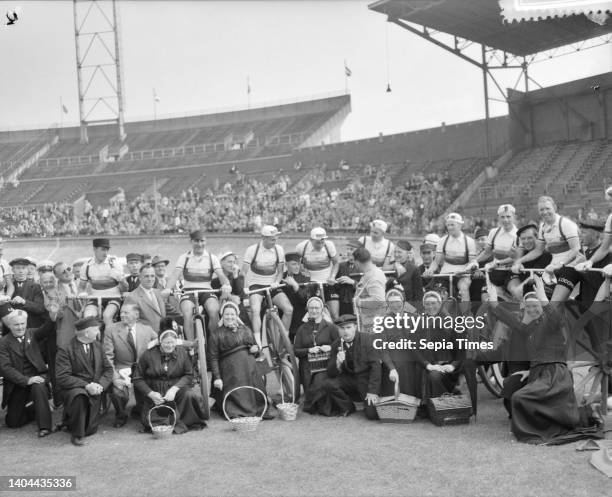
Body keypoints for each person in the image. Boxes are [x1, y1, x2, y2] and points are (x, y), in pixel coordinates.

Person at [486, 276, 585, 444]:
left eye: (536, 306)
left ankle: (530, 433)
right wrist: (494, 302)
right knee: (518, 396)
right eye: (529, 307)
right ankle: (532, 429)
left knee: (521, 398)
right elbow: (510, 320)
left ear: (542, 307)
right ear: (524, 308)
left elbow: (556, 318)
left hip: (554, 375)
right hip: (538, 374)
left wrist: (545, 300)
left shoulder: (550, 322)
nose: (532, 310)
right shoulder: (530, 328)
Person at [133, 323, 207, 433]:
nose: (170, 346)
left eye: (173, 342)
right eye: (167, 342)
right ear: (160, 342)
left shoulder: (182, 353)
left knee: (189, 395)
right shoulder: (148, 355)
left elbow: (189, 374)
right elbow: (137, 378)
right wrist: (151, 394)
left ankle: (185, 420)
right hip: (155, 390)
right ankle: (163, 421)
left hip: (176, 388)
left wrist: (174, 389)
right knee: (157, 417)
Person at [306, 314, 380, 419]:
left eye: (349, 327)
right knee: (328, 384)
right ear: (338, 330)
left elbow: (376, 367)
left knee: (372, 415)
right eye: (342, 328)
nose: (345, 331)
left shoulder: (367, 339)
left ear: (355, 327)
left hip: (365, 380)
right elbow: (330, 373)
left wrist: (373, 392)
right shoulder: (336, 344)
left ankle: (367, 403)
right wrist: (337, 363)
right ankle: (348, 407)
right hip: (349, 379)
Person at [55, 317, 114, 446]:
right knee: (79, 396)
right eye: (96, 330)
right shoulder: (65, 349)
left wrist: (100, 385)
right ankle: (77, 435)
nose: (99, 333)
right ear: (87, 333)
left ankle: (69, 422)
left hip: (96, 388)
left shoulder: (98, 346)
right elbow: (62, 376)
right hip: (74, 388)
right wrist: (87, 386)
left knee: (91, 430)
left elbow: (109, 370)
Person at [163, 230, 231, 341]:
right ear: (191, 242)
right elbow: (175, 275)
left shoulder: (211, 258)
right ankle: (191, 346)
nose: (199, 244)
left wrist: (226, 285)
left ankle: (213, 342)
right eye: (196, 241)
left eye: (202, 241)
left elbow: (221, 275)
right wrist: (167, 289)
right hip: (188, 290)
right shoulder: (184, 257)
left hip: (207, 290)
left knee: (214, 310)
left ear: (206, 241)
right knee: (187, 313)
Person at [512, 196, 581, 302]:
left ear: (555, 208)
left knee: (553, 303)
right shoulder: (543, 227)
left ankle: (570, 304)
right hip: (553, 268)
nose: (545, 212)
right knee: (534, 295)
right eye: (541, 209)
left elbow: (576, 248)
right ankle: (570, 303)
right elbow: (538, 251)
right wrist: (519, 261)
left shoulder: (566, 224)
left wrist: (561, 264)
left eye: (547, 208)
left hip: (571, 266)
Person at [209, 302, 271, 419]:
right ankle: (236, 409)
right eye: (227, 314)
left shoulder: (246, 329)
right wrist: (217, 378)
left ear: (237, 315)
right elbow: (213, 357)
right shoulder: (216, 334)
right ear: (222, 316)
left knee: (252, 374)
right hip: (229, 367)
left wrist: (255, 349)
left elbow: (256, 349)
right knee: (237, 376)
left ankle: (256, 406)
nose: (229, 317)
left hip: (249, 365)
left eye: (232, 314)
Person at [0, 309, 53, 436]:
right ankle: (37, 408)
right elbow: (5, 369)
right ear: (10, 325)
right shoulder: (3, 343)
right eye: (16, 324)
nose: (20, 327)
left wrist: (52, 315)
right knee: (13, 422)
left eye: (22, 323)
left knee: (38, 385)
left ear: (26, 323)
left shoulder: (33, 334)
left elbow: (46, 328)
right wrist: (26, 380)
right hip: (18, 383)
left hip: (38, 377)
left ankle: (45, 427)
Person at [104, 302, 158, 427]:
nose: (122, 315)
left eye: (126, 312)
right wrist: (115, 377)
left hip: (142, 369)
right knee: (118, 392)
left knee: (149, 394)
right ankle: (120, 414)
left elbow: (161, 341)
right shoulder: (111, 330)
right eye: (121, 312)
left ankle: (140, 408)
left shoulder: (147, 329)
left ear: (136, 314)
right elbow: (108, 357)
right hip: (121, 368)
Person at [242, 225, 292, 348]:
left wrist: (277, 281)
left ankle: (283, 339)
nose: (275, 242)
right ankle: (258, 341)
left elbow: (280, 272)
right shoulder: (252, 250)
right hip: (256, 285)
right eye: (272, 239)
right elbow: (244, 272)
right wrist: (245, 287)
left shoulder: (279, 249)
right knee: (255, 310)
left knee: (289, 309)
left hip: (272, 284)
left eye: (276, 239)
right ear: (263, 238)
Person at [416, 291, 464, 403]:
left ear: (440, 303)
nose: (430, 307)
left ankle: (443, 405)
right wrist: (427, 364)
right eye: (427, 304)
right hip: (426, 363)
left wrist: (452, 365)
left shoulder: (450, 323)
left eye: (433, 303)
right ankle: (424, 405)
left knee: (434, 376)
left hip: (445, 365)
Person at [293, 297, 339, 411]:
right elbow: (296, 351)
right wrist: (309, 350)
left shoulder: (331, 327)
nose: (314, 311)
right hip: (308, 366)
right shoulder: (302, 329)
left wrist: (330, 347)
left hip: (326, 364)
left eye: (316, 308)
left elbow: (340, 344)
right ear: (307, 309)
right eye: (311, 308)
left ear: (322, 309)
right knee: (313, 403)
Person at [424, 213, 477, 309]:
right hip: (446, 273)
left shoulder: (469, 241)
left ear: (460, 225)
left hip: (463, 273)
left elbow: (472, 262)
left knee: (464, 289)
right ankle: (440, 316)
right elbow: (436, 261)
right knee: (440, 292)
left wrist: (464, 271)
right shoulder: (442, 241)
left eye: (453, 225)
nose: (450, 227)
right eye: (448, 225)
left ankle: (467, 316)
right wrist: (430, 270)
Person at [378, 289, 423, 399]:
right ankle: (400, 401)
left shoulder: (415, 317)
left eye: (397, 301)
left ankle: (416, 401)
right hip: (393, 356)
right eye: (391, 302)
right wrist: (391, 368)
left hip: (415, 353)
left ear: (403, 302)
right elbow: (382, 347)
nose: (395, 305)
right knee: (399, 364)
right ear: (387, 304)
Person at [77, 238, 124, 330]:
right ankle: (94, 342)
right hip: (95, 298)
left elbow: (125, 288)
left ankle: (109, 342)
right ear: (94, 249)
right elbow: (81, 287)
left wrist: (120, 279)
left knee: (107, 316)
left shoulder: (115, 264)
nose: (105, 253)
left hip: (114, 297)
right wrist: (81, 294)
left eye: (107, 250)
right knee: (88, 318)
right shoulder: (86, 266)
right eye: (102, 249)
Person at [296, 227, 340, 319]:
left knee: (334, 314)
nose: (321, 244)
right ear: (311, 240)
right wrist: (302, 270)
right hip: (310, 283)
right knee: (312, 314)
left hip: (328, 282)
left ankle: (335, 332)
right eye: (318, 242)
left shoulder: (329, 245)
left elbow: (336, 263)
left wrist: (332, 277)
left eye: (323, 241)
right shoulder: (301, 247)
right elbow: (295, 264)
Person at [506, 223, 553, 299]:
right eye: (523, 239)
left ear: (537, 237)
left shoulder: (545, 255)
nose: (526, 241)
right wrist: (514, 289)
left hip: (540, 294)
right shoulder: (521, 253)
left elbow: (536, 277)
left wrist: (518, 291)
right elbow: (511, 276)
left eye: (529, 238)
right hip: (523, 294)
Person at [211, 251, 251, 328]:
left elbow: (241, 294)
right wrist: (229, 297)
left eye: (234, 262)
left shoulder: (238, 278)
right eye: (229, 262)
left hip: (237, 308)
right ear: (221, 263)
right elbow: (215, 298)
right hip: (221, 307)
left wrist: (236, 276)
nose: (232, 264)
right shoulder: (215, 281)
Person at [124, 265, 168, 332]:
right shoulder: (132, 297)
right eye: (146, 276)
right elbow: (129, 323)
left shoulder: (158, 292)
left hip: (164, 335)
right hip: (146, 339)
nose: (150, 279)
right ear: (140, 278)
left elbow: (169, 311)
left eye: (152, 276)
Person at [352, 247, 387, 333]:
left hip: (372, 325)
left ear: (357, 262)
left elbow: (379, 300)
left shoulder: (373, 277)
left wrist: (358, 302)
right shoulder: (372, 273)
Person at [280, 252, 312, 341]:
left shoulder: (305, 278)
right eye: (294, 264)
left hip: (300, 322)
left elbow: (305, 299)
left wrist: (295, 286)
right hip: (284, 319)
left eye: (298, 264)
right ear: (286, 264)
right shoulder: (280, 278)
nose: (297, 267)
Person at [8, 257, 46, 330]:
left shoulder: (35, 286)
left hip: (30, 327)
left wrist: (24, 302)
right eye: (18, 268)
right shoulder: (8, 287)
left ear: (27, 270)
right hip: (11, 328)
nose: (21, 271)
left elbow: (40, 308)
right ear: (13, 270)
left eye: (23, 268)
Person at [387, 240, 422, 310]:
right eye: (395, 252)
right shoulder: (390, 267)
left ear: (407, 253)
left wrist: (418, 310)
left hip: (408, 306)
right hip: (391, 306)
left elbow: (418, 293)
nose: (396, 255)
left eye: (399, 252)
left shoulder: (414, 269)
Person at [335, 239, 361, 316]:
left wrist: (353, 282)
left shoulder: (363, 267)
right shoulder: (341, 265)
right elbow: (335, 284)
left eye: (351, 249)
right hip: (341, 302)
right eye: (348, 249)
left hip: (356, 302)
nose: (349, 251)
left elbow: (367, 286)